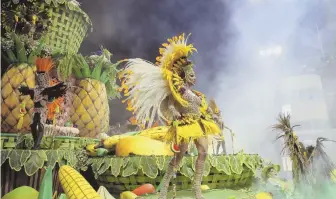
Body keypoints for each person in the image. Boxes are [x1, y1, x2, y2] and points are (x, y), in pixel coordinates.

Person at [119, 33, 221, 199]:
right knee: (180, 155)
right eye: (192, 74)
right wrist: (174, 113)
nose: (194, 77)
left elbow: (204, 108)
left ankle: (197, 190)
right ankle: (165, 187)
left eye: (195, 74)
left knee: (203, 152)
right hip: (185, 125)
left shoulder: (197, 94)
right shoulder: (178, 91)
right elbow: (171, 105)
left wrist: (214, 116)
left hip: (199, 124)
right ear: (185, 76)